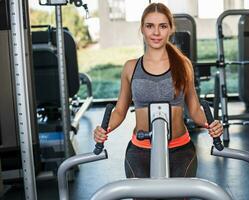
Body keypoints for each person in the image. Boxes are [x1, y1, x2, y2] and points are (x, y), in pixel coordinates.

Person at [94, 1, 223, 192]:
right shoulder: (130, 67)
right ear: (142, 29)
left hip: (180, 151)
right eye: (150, 26)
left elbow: (195, 109)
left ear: (170, 29)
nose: (156, 32)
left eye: (162, 26)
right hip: (140, 152)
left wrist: (211, 124)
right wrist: (105, 129)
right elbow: (120, 111)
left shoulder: (183, 65)